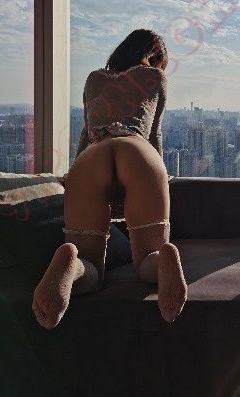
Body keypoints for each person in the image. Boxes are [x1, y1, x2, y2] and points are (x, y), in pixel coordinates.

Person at [32, 29, 187, 329]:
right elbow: (154, 134)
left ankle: (71, 263)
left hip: (93, 155)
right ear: (155, 56)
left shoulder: (93, 79)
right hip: (136, 151)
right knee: (147, 257)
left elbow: (85, 134)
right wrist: (160, 173)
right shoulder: (155, 77)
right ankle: (164, 258)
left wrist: (73, 175)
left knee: (90, 265)